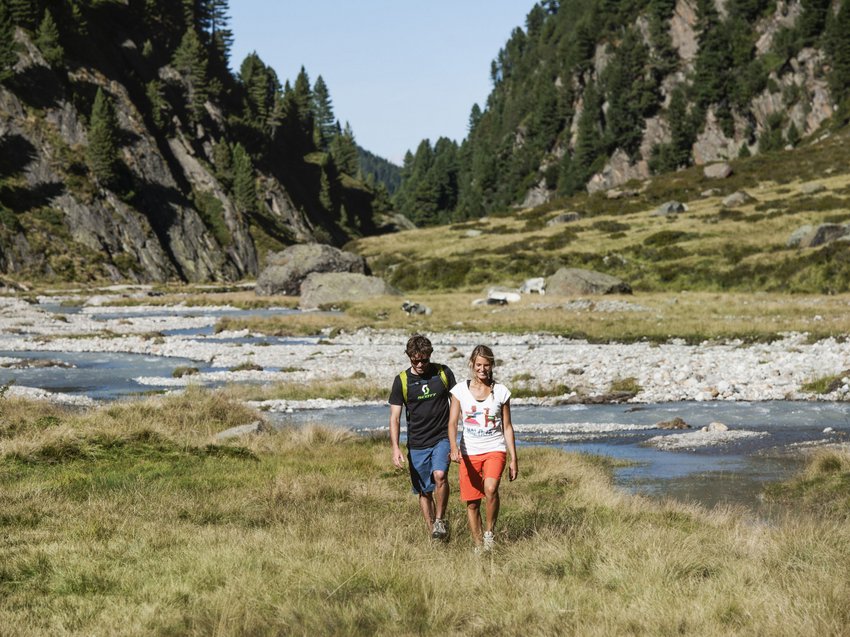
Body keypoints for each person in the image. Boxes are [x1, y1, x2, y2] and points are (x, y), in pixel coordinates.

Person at [448, 344, 518, 553]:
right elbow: (452, 423)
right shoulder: (460, 390)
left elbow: (507, 426)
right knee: (472, 503)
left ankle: (489, 534)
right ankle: (478, 544)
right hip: (469, 452)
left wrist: (514, 458)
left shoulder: (502, 392)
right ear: (472, 364)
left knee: (490, 489)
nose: (482, 369)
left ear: (492, 366)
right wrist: (453, 447)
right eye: (479, 365)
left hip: (494, 448)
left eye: (486, 365)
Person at [389, 334, 457, 540]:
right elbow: (394, 418)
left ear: (430, 355)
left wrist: (456, 439)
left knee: (440, 476)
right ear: (409, 357)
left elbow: (457, 404)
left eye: (424, 360)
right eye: (415, 360)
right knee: (424, 491)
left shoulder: (443, 373)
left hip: (442, 437)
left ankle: (440, 520)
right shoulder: (401, 381)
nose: (419, 364)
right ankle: (433, 533)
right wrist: (395, 448)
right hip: (417, 443)